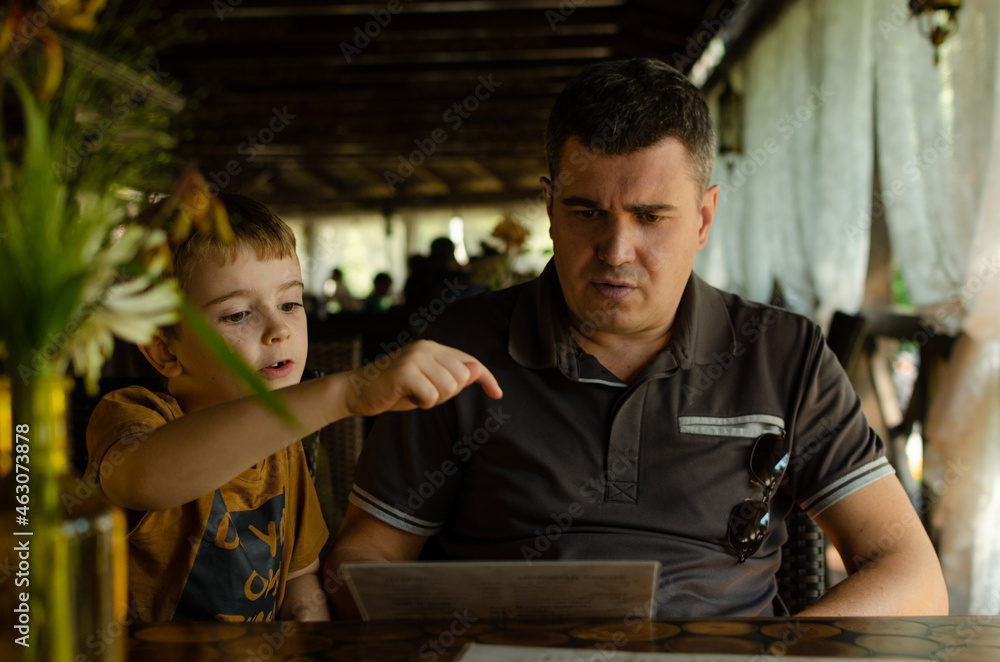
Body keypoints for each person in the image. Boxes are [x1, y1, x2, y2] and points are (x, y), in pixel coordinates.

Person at [325, 59, 948, 618]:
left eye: (650, 217)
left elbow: (912, 573)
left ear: (703, 218)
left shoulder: (782, 352)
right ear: (548, 207)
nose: (615, 252)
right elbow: (363, 559)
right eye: (586, 212)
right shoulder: (460, 346)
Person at [85, 194, 501, 623]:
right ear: (163, 350)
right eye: (238, 314)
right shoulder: (133, 416)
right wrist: (342, 395)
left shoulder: (282, 449)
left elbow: (298, 578)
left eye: (289, 304)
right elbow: (146, 481)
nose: (279, 329)